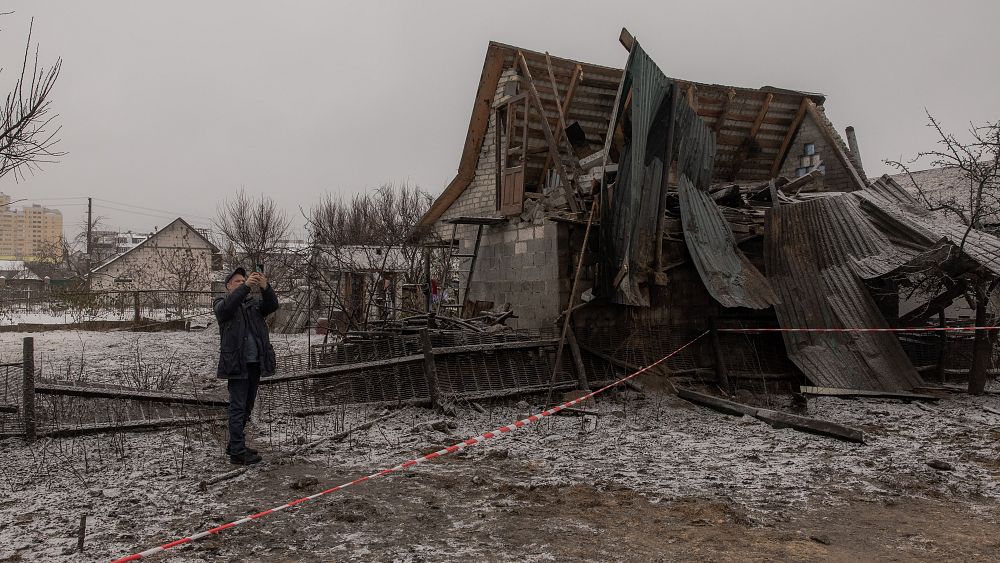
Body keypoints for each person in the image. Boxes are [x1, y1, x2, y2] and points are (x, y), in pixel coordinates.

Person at [214, 266, 279, 465]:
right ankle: (238, 453)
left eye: (244, 281)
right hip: (236, 364)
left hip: (255, 363)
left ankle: (235, 444)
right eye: (237, 282)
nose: (242, 284)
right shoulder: (221, 304)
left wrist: (265, 286)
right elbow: (227, 307)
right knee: (237, 407)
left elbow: (272, 305)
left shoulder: (253, 305)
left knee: (247, 407)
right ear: (227, 287)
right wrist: (247, 288)